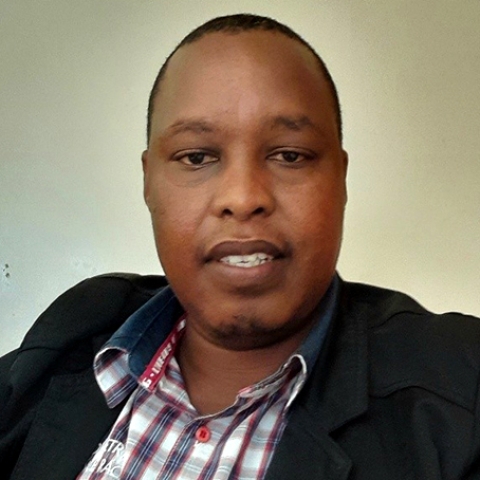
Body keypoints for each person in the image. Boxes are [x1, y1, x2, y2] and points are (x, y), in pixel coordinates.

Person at [1, 13, 480, 480]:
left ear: (341, 178)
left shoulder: (460, 387)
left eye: (290, 155)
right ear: (148, 182)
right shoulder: (79, 330)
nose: (244, 197)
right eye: (196, 157)